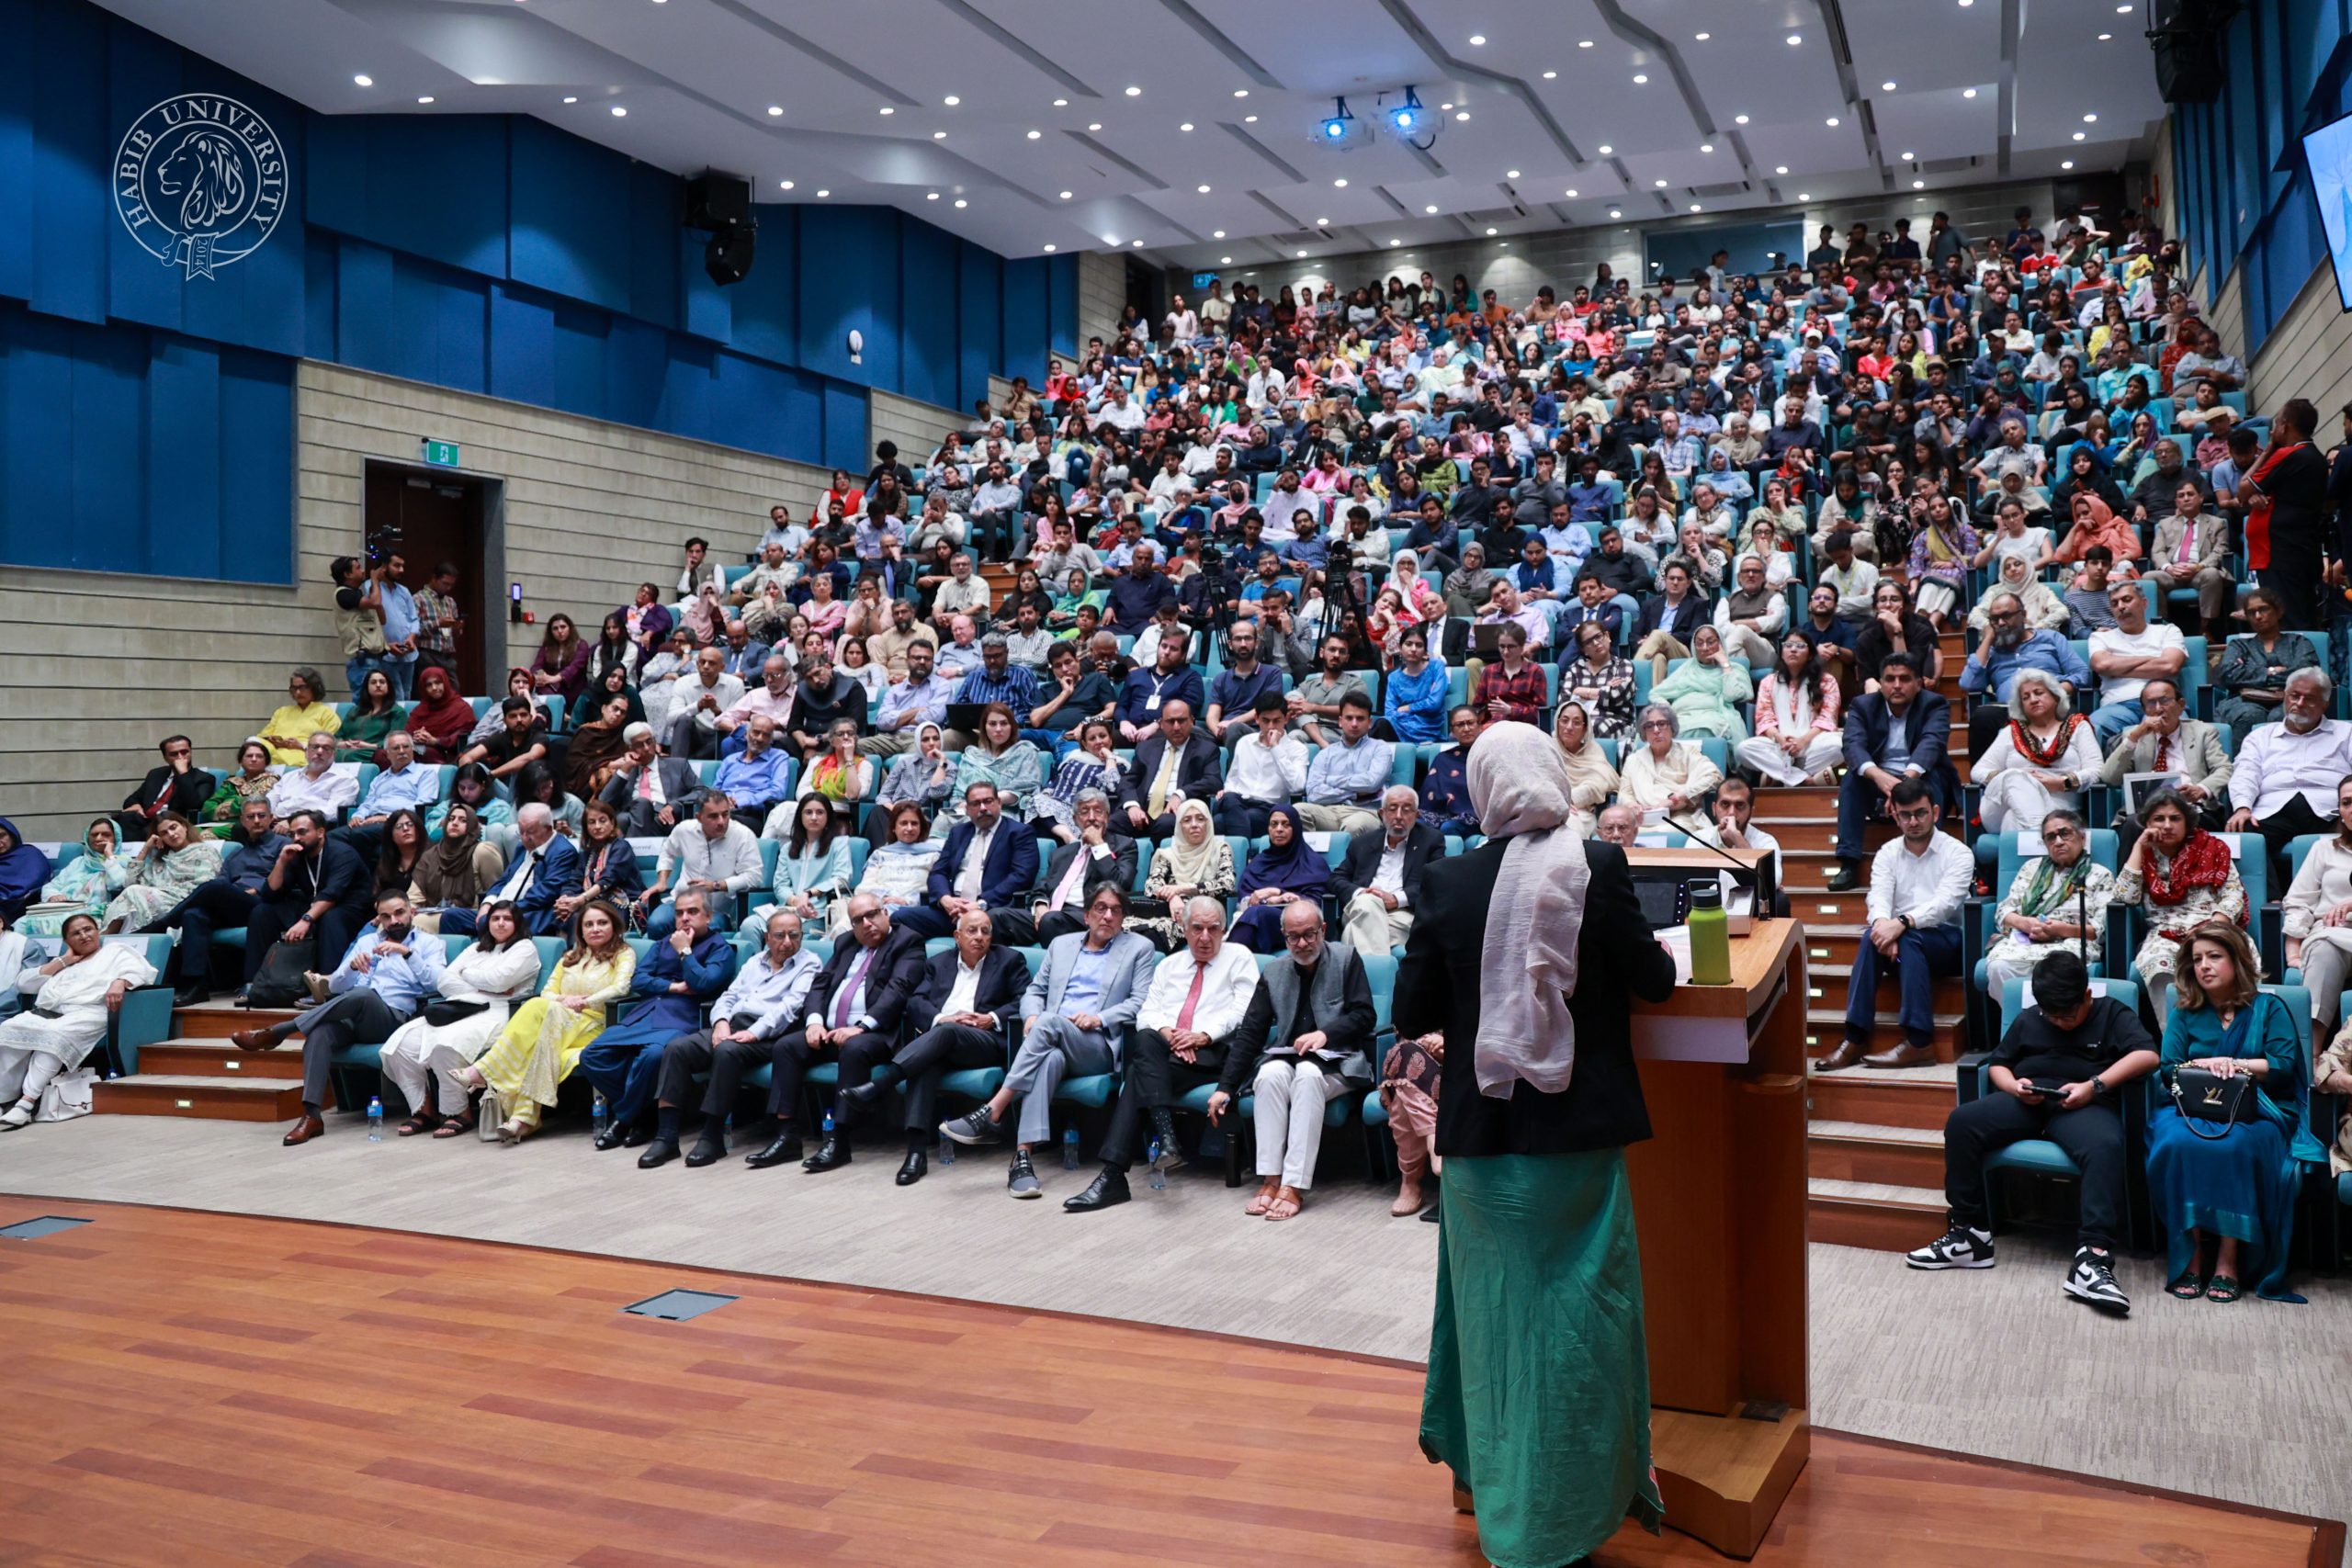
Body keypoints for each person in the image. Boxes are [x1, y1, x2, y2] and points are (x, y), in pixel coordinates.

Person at [1390, 719, 1678, 1568]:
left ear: (1484, 788)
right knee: (1584, 1326)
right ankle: (1581, 1511)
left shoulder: (1444, 881)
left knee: (1499, 1330)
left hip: (1483, 1145)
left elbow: (1413, 1014)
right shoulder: (1597, 866)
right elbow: (1656, 982)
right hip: (1579, 1146)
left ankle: (1507, 1507)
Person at [1905, 951, 2154, 1316]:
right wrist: (2014, 1085)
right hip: (2028, 1101)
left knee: (2105, 1143)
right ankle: (1970, 1235)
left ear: (2087, 996)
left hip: (2083, 1104)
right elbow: (1998, 1065)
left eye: (2068, 1015)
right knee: (1962, 1122)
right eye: (2052, 1016)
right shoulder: (2031, 1017)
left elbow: (2148, 1056)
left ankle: (2092, 1258)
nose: (2061, 1023)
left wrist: (2094, 1085)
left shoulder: (2112, 1012)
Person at [937, 886, 1157, 1199]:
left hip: (1096, 1045)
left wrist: (1101, 1017)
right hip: (1050, 1040)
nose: (1108, 916)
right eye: (1100, 908)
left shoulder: (1140, 948)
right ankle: (1023, 1160)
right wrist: (1029, 1017)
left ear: (1123, 917)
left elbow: (1141, 1001)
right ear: (1086, 914)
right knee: (1047, 1056)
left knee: (1048, 1024)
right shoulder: (1061, 945)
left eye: (1116, 910)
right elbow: (1034, 992)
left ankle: (993, 1110)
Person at [2147, 920, 2320, 1303]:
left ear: (2236, 961)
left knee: (2233, 1146)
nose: (2204, 966)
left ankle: (2228, 1257)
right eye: (2197, 959)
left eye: (2214, 956)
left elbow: (2282, 1065)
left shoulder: (2268, 1007)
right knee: (2175, 1142)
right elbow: (2168, 1068)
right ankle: (2192, 1254)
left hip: (2258, 1109)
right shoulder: (2185, 1011)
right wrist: (2207, 1065)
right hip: (2191, 1106)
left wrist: (2236, 1063)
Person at [1064, 896, 1262, 1211]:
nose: (1205, 937)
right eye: (1197, 928)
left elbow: (1245, 1011)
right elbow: (1147, 1012)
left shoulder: (1239, 958)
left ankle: (1122, 1169)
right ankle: (1154, 1146)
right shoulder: (1169, 964)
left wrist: (1202, 1035)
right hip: (1170, 1054)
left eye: (1213, 929)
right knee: (1147, 1036)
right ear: (1184, 930)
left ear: (1224, 930)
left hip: (1215, 1053)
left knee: (1138, 1073)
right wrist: (1171, 1036)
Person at [828, 907, 1032, 1186]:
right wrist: (942, 1017)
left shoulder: (1009, 960)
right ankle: (916, 1152)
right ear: (957, 936)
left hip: (983, 1042)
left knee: (943, 1035)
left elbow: (1026, 1000)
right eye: (972, 930)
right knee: (927, 1059)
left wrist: (991, 1018)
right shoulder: (939, 963)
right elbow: (915, 1001)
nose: (980, 936)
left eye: (986, 931)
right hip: (940, 1039)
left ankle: (881, 1085)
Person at [1204, 898, 1376, 1221]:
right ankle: (1270, 1178)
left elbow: (1365, 1015)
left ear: (1323, 930)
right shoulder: (1274, 970)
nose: (1302, 944)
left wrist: (1326, 1033)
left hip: (1338, 1063)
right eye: (1293, 937)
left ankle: (1295, 1184)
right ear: (1284, 936)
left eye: (1310, 934)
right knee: (1268, 1074)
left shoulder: (1346, 958)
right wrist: (1225, 1087)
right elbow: (1251, 1034)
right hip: (1289, 1060)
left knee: (1309, 1074)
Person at [232, 889, 445, 1146]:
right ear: (379, 919)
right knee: (320, 1034)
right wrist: (352, 968)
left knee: (363, 995)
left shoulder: (429, 944)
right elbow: (335, 987)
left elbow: (438, 983)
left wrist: (407, 954)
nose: (394, 921)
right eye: (386, 916)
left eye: (399, 913)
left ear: (412, 912)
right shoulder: (366, 942)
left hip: (394, 1019)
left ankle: (280, 1031)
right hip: (354, 1015)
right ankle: (311, 1116)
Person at [749, 891, 925, 1169]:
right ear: (852, 926)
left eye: (872, 915)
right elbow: (820, 984)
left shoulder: (908, 941)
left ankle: (839, 1141)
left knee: (854, 1049)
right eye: (859, 920)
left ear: (885, 914)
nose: (867, 923)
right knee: (787, 1046)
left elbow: (898, 990)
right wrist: (815, 1022)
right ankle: (787, 1137)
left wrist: (861, 1027)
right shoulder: (845, 943)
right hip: (831, 1030)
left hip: (877, 1034)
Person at [648, 906, 823, 1168]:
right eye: (780, 935)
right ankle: (667, 1136)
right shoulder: (755, 961)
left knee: (727, 1051)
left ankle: (712, 1135)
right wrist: (720, 1023)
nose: (787, 942)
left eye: (794, 935)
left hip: (772, 1035)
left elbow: (789, 1008)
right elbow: (729, 996)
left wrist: (753, 1033)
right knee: (677, 1049)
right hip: (732, 1026)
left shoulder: (809, 963)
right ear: (766, 937)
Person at [1819, 778, 1972, 1072]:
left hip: (1947, 942)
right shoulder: (1887, 852)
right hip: (1902, 945)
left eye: (1921, 813)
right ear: (1895, 816)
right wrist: (1882, 927)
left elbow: (1945, 904)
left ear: (1936, 812)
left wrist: (1901, 924)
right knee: (1870, 937)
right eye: (1906, 815)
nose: (1913, 821)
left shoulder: (1958, 853)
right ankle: (1854, 1038)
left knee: (1910, 937)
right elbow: (1878, 896)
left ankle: (1918, 1041)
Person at [574, 887, 738, 1158]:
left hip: (683, 1020)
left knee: (652, 1056)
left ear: (708, 917)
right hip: (644, 1014)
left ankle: (624, 1119)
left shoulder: (721, 948)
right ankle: (642, 1114)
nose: (685, 918)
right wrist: (673, 987)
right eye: (679, 913)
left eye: (692, 912)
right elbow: (638, 980)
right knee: (592, 1055)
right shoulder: (663, 943)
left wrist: (685, 952)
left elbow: (704, 983)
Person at [456, 899, 636, 1142]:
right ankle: (522, 1119)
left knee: (541, 1010)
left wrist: (585, 1001)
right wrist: (565, 999)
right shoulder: (571, 956)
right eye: (589, 924)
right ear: (580, 930)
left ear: (614, 926)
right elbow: (548, 992)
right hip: (558, 1022)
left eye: (602, 923)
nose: (595, 929)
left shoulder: (623, 953)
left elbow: (621, 988)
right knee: (541, 1015)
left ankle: (486, 1071)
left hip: (596, 1025)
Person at [375, 900, 541, 1138]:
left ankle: (459, 1113)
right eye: (495, 918)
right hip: (458, 1007)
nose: (501, 923)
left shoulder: (525, 948)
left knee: (446, 1045)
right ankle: (423, 1108)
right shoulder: (476, 948)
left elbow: (500, 980)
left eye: (507, 918)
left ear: (517, 923)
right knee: (400, 1044)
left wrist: (468, 975)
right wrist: (484, 985)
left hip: (499, 1011)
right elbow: (444, 981)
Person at [0, 914, 155, 1132]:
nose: (84, 936)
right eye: (76, 933)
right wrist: (64, 961)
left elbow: (141, 970)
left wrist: (120, 982)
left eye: (88, 929)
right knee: (6, 1031)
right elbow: (24, 984)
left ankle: (27, 1102)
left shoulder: (115, 951)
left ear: (97, 931)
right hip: (49, 1012)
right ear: (67, 941)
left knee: (55, 1037)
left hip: (88, 1013)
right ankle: (4, 1099)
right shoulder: (65, 964)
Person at [2112, 788, 2249, 1027]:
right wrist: (2138, 847)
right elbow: (2125, 897)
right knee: (2156, 964)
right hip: (2165, 932)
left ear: (2187, 822)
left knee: (2229, 960)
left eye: (2175, 818)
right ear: (2147, 824)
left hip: (2215, 927)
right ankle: (2177, 1041)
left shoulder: (2212, 848)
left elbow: (2233, 894)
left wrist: (2213, 928)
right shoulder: (2145, 855)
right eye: (2159, 819)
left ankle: (2233, 1037)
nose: (2167, 825)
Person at [1826, 655, 1952, 890]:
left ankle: (1934, 861)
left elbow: (1931, 743)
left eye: (1904, 679)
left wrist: (1904, 785)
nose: (1896, 685)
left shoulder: (1934, 704)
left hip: (1919, 774)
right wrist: (1878, 775)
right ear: (1881, 683)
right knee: (1852, 779)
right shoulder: (1863, 705)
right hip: (1879, 777)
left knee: (1931, 782)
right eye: (1890, 679)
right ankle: (1849, 863)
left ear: (1918, 683)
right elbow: (1853, 745)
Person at [2225, 668, 2352, 859]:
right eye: (2294, 696)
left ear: (2325, 704)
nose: (2299, 704)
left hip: (2331, 812)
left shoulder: (2346, 733)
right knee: (2240, 835)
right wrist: (2243, 807)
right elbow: (2245, 773)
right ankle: (2267, 891)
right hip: (2273, 811)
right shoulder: (2260, 737)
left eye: (2309, 699)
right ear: (2285, 697)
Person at [242, 808, 372, 992]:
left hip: (350, 908)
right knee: (263, 911)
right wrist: (281, 861)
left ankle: (328, 985)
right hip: (312, 905)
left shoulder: (342, 853)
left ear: (320, 832)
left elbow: (333, 894)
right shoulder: (297, 855)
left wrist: (306, 920)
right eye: (292, 833)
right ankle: (254, 983)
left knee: (331, 917)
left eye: (302, 832)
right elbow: (270, 894)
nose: (296, 838)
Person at [1984, 809, 2116, 986]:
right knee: (1999, 966)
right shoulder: (2031, 868)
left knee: (2058, 969)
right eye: (2051, 837)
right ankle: (2022, 1014)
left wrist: (2060, 929)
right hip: (2025, 940)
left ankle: (2048, 1014)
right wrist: (2025, 923)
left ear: (2082, 838)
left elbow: (2099, 930)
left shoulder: (2099, 874)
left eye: (2065, 834)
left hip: (2071, 943)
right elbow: (2004, 911)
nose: (2059, 842)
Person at [893, 781, 1038, 941]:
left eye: (988, 801)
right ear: (967, 809)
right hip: (953, 911)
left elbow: (1021, 876)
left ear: (999, 803)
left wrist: (981, 904)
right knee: (900, 917)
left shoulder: (1019, 832)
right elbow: (938, 872)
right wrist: (945, 899)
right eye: (976, 804)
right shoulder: (959, 832)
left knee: (987, 923)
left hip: (990, 910)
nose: (983, 808)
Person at [1973, 669, 2102, 835]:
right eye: (2026, 697)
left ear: (2056, 696)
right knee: (2015, 777)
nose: (2033, 700)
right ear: (2021, 706)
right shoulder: (2011, 732)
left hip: (2059, 808)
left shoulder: (2078, 727)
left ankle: (2034, 846)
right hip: (1999, 807)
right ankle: (2040, 837)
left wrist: (2062, 783)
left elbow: (2096, 770)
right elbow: (1978, 771)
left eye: (2039, 693)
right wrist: (2021, 780)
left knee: (2012, 819)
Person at [1000, 789, 1135, 947]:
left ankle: (1053, 968)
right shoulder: (1062, 852)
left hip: (1088, 917)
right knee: (997, 917)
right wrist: (1041, 905)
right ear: (1075, 820)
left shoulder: (1125, 845)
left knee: (1052, 920)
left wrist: (1098, 845)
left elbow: (1120, 884)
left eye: (1098, 811)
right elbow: (1043, 888)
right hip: (1051, 915)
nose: (1091, 818)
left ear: (1107, 816)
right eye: (1084, 812)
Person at [2280, 775, 2352, 1046]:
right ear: (2340, 812)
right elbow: (2299, 900)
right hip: (2331, 934)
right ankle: (2310, 1053)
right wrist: (2293, 952)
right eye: (2346, 803)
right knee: (2323, 949)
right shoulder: (2323, 849)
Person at [1331, 786, 1442, 959]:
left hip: (1403, 914)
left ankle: (1366, 979)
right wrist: (1361, 892)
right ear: (1382, 813)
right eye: (1392, 809)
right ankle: (1378, 975)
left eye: (1406, 810)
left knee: (1354, 930)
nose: (1399, 816)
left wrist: (1397, 899)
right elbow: (1336, 878)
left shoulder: (1431, 840)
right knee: (1367, 903)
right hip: (1360, 906)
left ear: (1416, 815)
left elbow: (1437, 881)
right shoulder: (1362, 843)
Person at [639, 793, 763, 941]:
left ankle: (690, 961)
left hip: (715, 910)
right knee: (656, 924)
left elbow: (754, 876)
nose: (721, 821)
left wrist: (717, 885)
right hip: (680, 904)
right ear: (699, 818)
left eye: (725, 814)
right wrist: (662, 881)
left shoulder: (743, 835)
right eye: (713, 816)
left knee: (704, 930)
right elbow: (667, 852)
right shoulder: (684, 830)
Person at [448, 803, 580, 938]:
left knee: (485, 923)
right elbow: (504, 880)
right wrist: (487, 904)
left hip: (526, 912)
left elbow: (546, 892)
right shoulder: (522, 847)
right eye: (521, 831)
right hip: (500, 909)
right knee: (451, 917)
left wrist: (505, 910)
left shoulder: (562, 851)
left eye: (530, 832)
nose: (524, 838)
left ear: (547, 828)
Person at [2086, 580, 2187, 745]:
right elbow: (2102, 665)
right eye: (2114, 603)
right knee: (2090, 730)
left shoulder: (2168, 631)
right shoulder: (2100, 637)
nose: (2121, 606)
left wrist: (2116, 667)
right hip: (2118, 705)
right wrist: (2151, 658)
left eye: (2127, 599)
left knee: (2184, 732)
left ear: (2144, 603)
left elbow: (2170, 666)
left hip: (2162, 701)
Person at [1739, 633, 1842, 787]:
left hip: (1813, 742)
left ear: (1810, 654)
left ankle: (1779, 775)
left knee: (1840, 745)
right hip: (1780, 745)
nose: (1793, 649)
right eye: (1788, 645)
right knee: (1744, 750)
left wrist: (1803, 741)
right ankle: (1805, 780)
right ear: (1782, 652)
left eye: (1800, 646)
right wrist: (1780, 739)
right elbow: (1764, 717)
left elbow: (1827, 718)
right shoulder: (1769, 682)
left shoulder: (1826, 681)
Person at [2211, 586, 2320, 731]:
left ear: (2278, 611)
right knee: (2250, 715)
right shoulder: (2238, 645)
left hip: (2290, 698)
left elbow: (2305, 674)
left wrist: (2250, 674)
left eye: (2263, 609)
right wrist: (2271, 672)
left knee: (2280, 716)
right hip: (2244, 700)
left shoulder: (2299, 642)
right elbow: (2228, 674)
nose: (2258, 616)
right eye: (2251, 612)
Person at [96, 812, 221, 935]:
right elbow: (129, 883)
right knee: (133, 900)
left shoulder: (205, 852)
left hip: (189, 902)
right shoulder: (162, 860)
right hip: (161, 902)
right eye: (164, 833)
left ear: (184, 826)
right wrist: (146, 849)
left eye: (173, 827)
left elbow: (206, 885)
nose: (171, 834)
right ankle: (115, 941)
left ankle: (106, 938)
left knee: (134, 893)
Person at [1227, 805, 1329, 953]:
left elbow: (1318, 904)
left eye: (1286, 824)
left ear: (1296, 828)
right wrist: (1267, 901)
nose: (1279, 829)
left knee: (1257, 914)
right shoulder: (1259, 862)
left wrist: (1279, 895)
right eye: (1274, 824)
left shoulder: (1312, 862)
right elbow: (1244, 899)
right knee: (1256, 914)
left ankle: (1230, 958)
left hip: (1298, 926)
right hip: (1257, 920)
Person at [1118, 699, 1222, 840]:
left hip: (1177, 812)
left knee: (1165, 824)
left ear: (1192, 721)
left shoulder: (1206, 749)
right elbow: (1128, 780)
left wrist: (1181, 794)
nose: (1176, 727)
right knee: (1114, 822)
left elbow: (1213, 781)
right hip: (1143, 809)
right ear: (1161, 724)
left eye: (1182, 721)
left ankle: (1157, 862)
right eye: (1170, 721)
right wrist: (1132, 806)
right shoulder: (1145, 748)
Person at [1617, 704, 1722, 838]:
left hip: (1678, 817)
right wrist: (1631, 804)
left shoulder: (1687, 753)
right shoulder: (1633, 759)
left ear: (1672, 727)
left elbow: (1714, 776)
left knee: (1670, 832)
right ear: (1644, 733)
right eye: (1649, 726)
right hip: (1642, 819)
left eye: (1661, 724)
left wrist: (1678, 797)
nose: (1656, 730)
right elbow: (1624, 792)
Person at [16, 820, 130, 941]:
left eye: (106, 834)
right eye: (94, 835)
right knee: (22, 923)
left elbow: (118, 885)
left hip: (94, 914)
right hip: (63, 910)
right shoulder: (78, 862)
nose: (99, 838)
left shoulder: (123, 862)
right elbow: (51, 886)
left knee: (67, 923)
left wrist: (109, 856)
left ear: (115, 838)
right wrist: (54, 895)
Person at [598, 724, 706, 839]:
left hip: (663, 820)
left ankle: (632, 853)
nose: (646, 748)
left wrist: (673, 805)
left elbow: (702, 791)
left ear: (654, 741)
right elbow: (603, 802)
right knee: (628, 815)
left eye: (649, 742)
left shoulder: (678, 765)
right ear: (629, 748)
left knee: (631, 813)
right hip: (633, 817)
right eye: (640, 745)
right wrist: (625, 769)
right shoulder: (626, 772)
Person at [1649, 624, 1753, 740]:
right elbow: (1655, 693)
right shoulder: (1686, 669)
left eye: (1710, 642)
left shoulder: (1735, 669)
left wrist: (1724, 663)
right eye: (1699, 643)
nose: (1705, 647)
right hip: (1681, 717)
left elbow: (1731, 695)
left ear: (1720, 643)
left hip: (1712, 717)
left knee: (1705, 728)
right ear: (1694, 647)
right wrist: (1669, 712)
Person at [116, 736, 215, 844]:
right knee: (123, 819)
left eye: (184, 752)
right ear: (165, 757)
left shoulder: (204, 778)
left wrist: (183, 775)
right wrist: (136, 805)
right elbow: (131, 800)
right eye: (174, 754)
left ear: (190, 752)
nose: (180, 757)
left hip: (172, 823)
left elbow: (194, 804)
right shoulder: (156, 774)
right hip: (147, 820)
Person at [198, 741, 282, 836]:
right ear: (241, 761)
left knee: (204, 835)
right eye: (250, 756)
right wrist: (236, 804)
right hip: (219, 824)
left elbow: (252, 805)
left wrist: (225, 805)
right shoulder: (232, 782)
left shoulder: (272, 781)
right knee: (189, 832)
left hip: (247, 826)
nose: (254, 759)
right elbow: (207, 808)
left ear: (266, 762)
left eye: (259, 756)